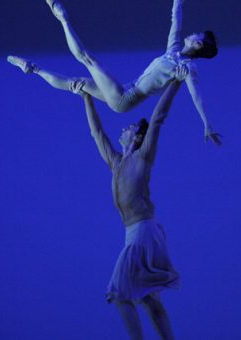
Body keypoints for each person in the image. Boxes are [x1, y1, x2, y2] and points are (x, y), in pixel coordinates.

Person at [7, 0, 222, 145]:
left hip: (125, 98)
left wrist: (207, 125)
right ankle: (32, 69)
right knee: (77, 83)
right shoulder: (173, 50)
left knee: (87, 59)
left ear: (198, 43)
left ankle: (62, 18)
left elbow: (196, 95)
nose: (192, 33)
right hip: (125, 89)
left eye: (197, 34)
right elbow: (176, 16)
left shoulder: (187, 68)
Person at [81, 80, 182, 339]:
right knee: (148, 298)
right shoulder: (117, 163)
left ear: (137, 136)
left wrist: (176, 82)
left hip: (144, 231)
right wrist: (86, 97)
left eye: (130, 126)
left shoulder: (143, 156)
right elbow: (97, 135)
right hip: (134, 232)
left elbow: (158, 117)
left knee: (118, 292)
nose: (124, 127)